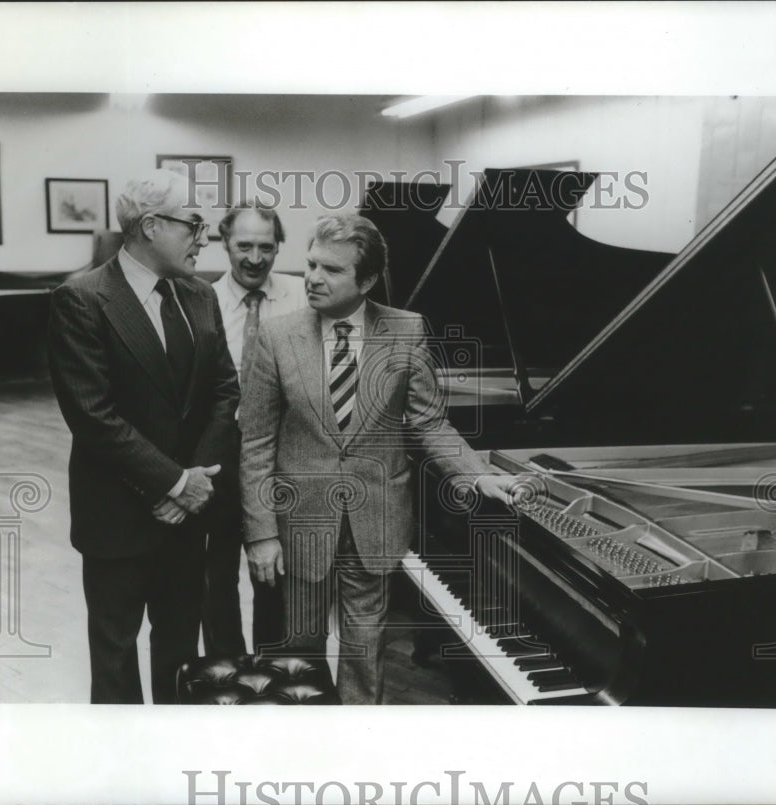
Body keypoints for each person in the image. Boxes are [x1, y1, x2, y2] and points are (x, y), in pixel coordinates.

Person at [239, 213, 519, 703]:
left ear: (366, 280)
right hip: (301, 521)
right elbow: (257, 442)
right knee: (301, 648)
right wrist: (261, 533)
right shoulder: (276, 335)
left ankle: (360, 745)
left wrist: (477, 476)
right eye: (310, 264)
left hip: (377, 519)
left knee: (365, 649)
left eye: (331, 270)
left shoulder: (406, 331)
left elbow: (430, 421)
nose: (313, 278)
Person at [48, 169, 239, 704]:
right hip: (118, 517)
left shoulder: (199, 296)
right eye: (194, 224)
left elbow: (226, 394)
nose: (205, 237)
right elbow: (94, 417)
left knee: (181, 656)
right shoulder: (81, 299)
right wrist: (176, 483)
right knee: (114, 662)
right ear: (152, 226)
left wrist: (193, 486)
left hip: (186, 518)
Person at [203, 202, 306, 657]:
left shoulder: (303, 297)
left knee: (275, 576)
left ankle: (272, 678)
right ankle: (228, 674)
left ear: (278, 247)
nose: (254, 258)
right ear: (224, 242)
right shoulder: (198, 300)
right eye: (244, 245)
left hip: (279, 462)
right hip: (219, 459)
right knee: (215, 577)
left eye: (266, 247)